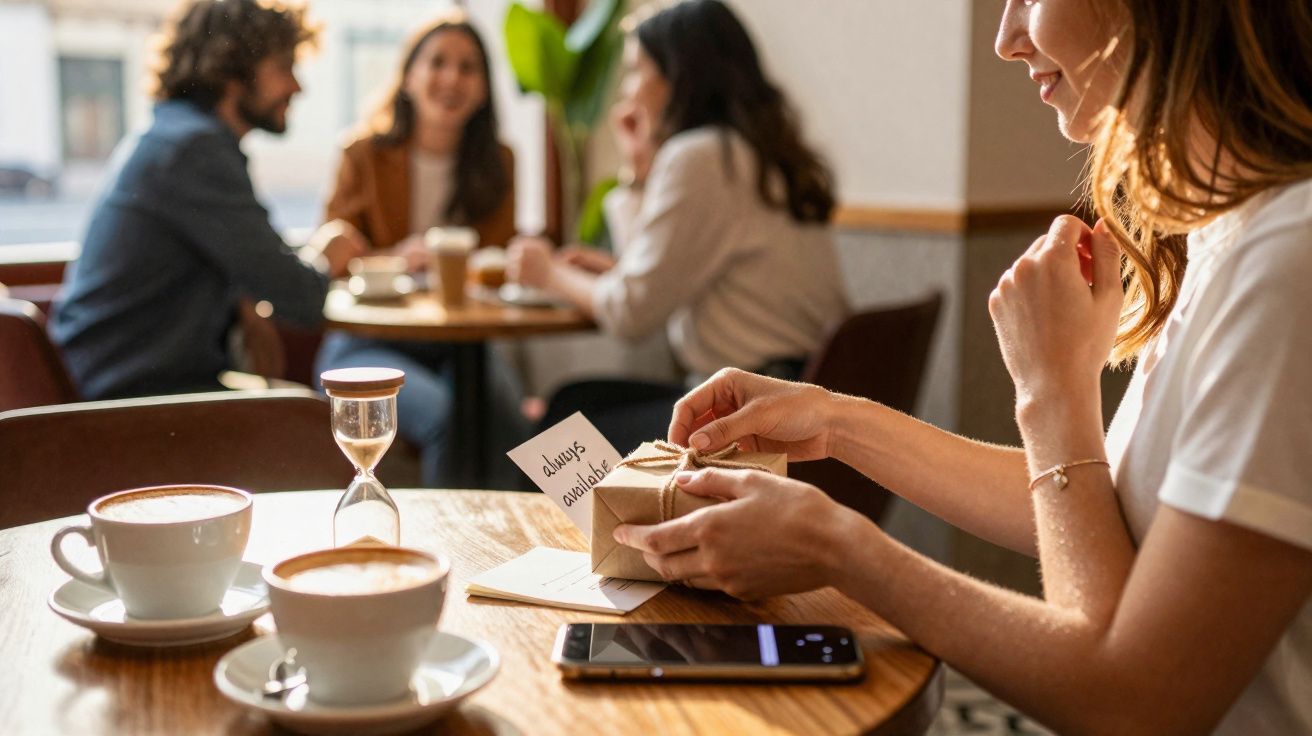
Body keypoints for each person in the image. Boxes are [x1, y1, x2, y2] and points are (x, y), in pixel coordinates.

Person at [612, 1, 1312, 733]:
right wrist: (835, 419)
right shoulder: (1229, 234)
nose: (1008, 39)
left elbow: (1131, 701)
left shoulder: (1289, 261)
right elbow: (1112, 513)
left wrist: (840, 546)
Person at [508, 0, 847, 453]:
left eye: (636, 71)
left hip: (749, 413)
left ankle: (593, 528)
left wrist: (547, 272)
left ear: (679, 75)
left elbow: (632, 312)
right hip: (792, 392)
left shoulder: (702, 157)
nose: (627, 90)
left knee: (555, 439)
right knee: (571, 405)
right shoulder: (755, 150)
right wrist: (640, 167)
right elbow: (649, 281)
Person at [52, 0, 364, 401]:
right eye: (284, 67)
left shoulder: (174, 137)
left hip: (121, 383)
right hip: (133, 400)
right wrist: (326, 255)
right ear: (233, 73)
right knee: (323, 424)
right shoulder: (195, 151)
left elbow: (252, 268)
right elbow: (300, 296)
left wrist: (244, 303)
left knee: (305, 411)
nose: (297, 86)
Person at [314, 13, 524, 488]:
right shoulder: (362, 155)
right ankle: (449, 551)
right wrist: (396, 257)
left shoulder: (499, 163)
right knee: (446, 416)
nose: (452, 78)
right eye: (438, 62)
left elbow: (499, 265)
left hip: (462, 343)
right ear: (408, 76)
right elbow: (333, 255)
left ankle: (520, 549)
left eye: (469, 67)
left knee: (511, 422)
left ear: (485, 87)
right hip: (366, 339)